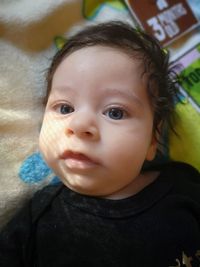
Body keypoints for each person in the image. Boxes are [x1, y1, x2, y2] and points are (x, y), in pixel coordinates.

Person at [0, 21, 200, 267]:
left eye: (115, 112)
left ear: (153, 139)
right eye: (65, 108)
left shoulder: (184, 187)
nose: (80, 124)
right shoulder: (36, 217)